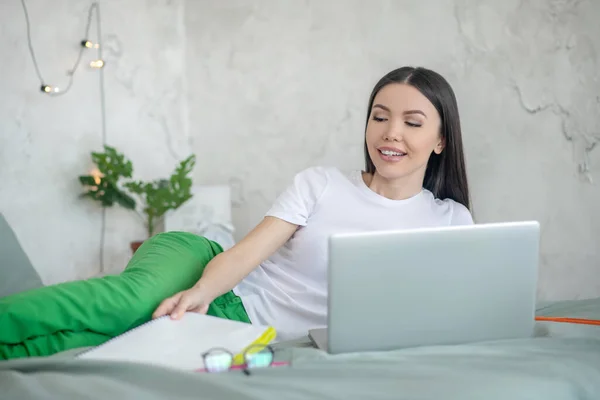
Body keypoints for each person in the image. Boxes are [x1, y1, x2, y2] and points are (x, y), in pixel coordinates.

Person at [152, 66, 474, 342]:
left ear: (441, 140)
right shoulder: (320, 184)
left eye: (412, 123)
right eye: (379, 117)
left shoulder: (451, 221)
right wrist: (202, 292)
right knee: (118, 307)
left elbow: (455, 313)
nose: (391, 133)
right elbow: (245, 253)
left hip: (274, 341)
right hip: (227, 294)